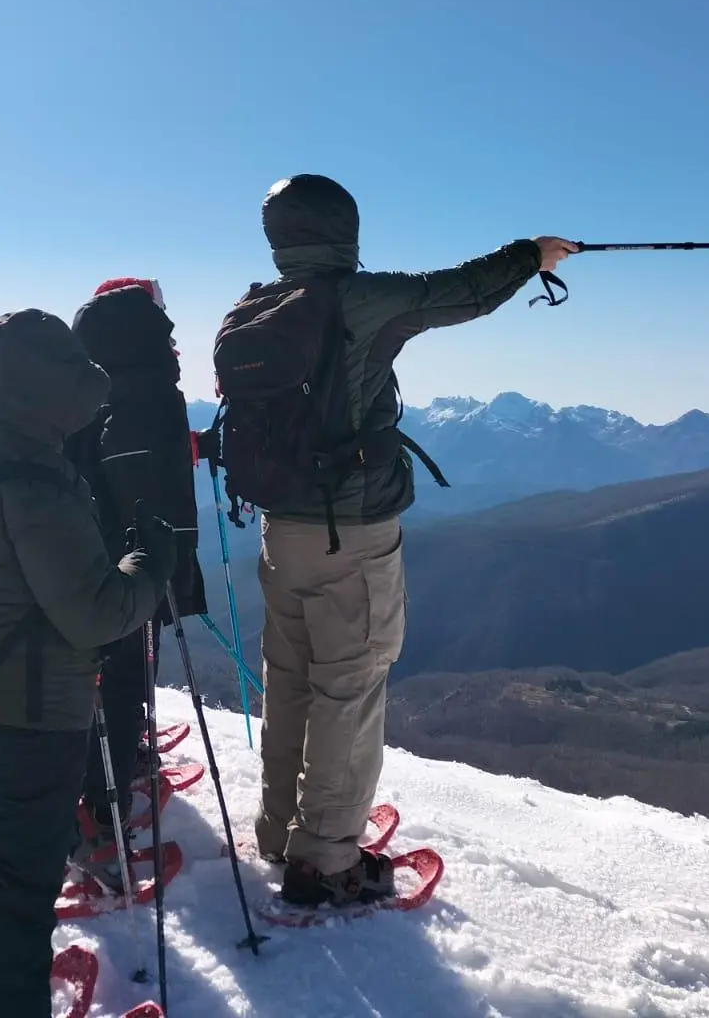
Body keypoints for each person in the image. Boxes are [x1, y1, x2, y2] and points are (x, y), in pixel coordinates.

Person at [237, 173, 578, 905]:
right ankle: (326, 860)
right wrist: (531, 256)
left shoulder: (256, 309)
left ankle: (281, 828)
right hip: (351, 533)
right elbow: (454, 291)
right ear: (344, 229)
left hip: (279, 530)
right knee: (350, 685)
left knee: (292, 680)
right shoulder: (355, 301)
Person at [0, 307, 176, 1018]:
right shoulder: (35, 489)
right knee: (14, 907)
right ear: (42, 396)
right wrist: (148, 566)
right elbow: (96, 613)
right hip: (28, 728)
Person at [63, 277, 206, 887]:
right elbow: (154, 487)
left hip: (76, 555)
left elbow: (105, 461)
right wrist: (172, 561)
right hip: (134, 566)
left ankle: (98, 778)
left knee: (105, 673)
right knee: (125, 676)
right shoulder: (151, 393)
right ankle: (102, 809)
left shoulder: (79, 385)